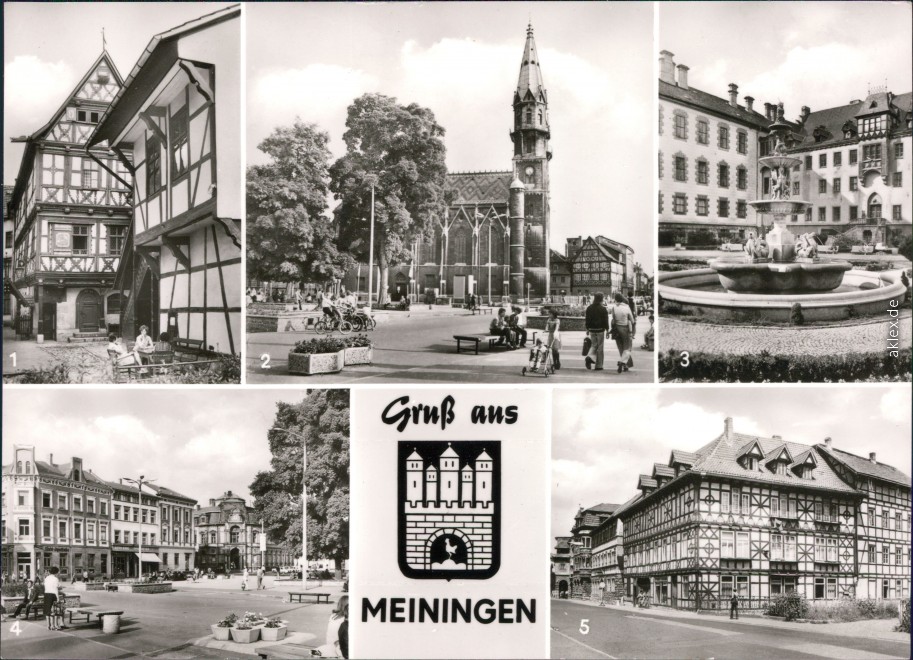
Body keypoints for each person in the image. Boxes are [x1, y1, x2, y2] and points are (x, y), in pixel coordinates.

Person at [610, 292, 636, 374]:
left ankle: (625, 365)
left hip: (617, 329)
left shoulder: (614, 308)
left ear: (616, 300)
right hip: (625, 329)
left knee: (621, 348)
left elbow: (613, 320)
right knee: (627, 347)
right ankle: (623, 362)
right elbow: (632, 320)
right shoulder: (627, 307)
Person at [584, 292, 609, 370]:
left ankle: (589, 356)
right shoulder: (603, 308)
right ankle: (599, 366)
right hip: (600, 329)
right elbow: (605, 320)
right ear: (601, 299)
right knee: (600, 347)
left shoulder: (589, 308)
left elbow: (587, 319)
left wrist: (587, 328)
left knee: (594, 345)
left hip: (591, 329)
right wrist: (607, 329)